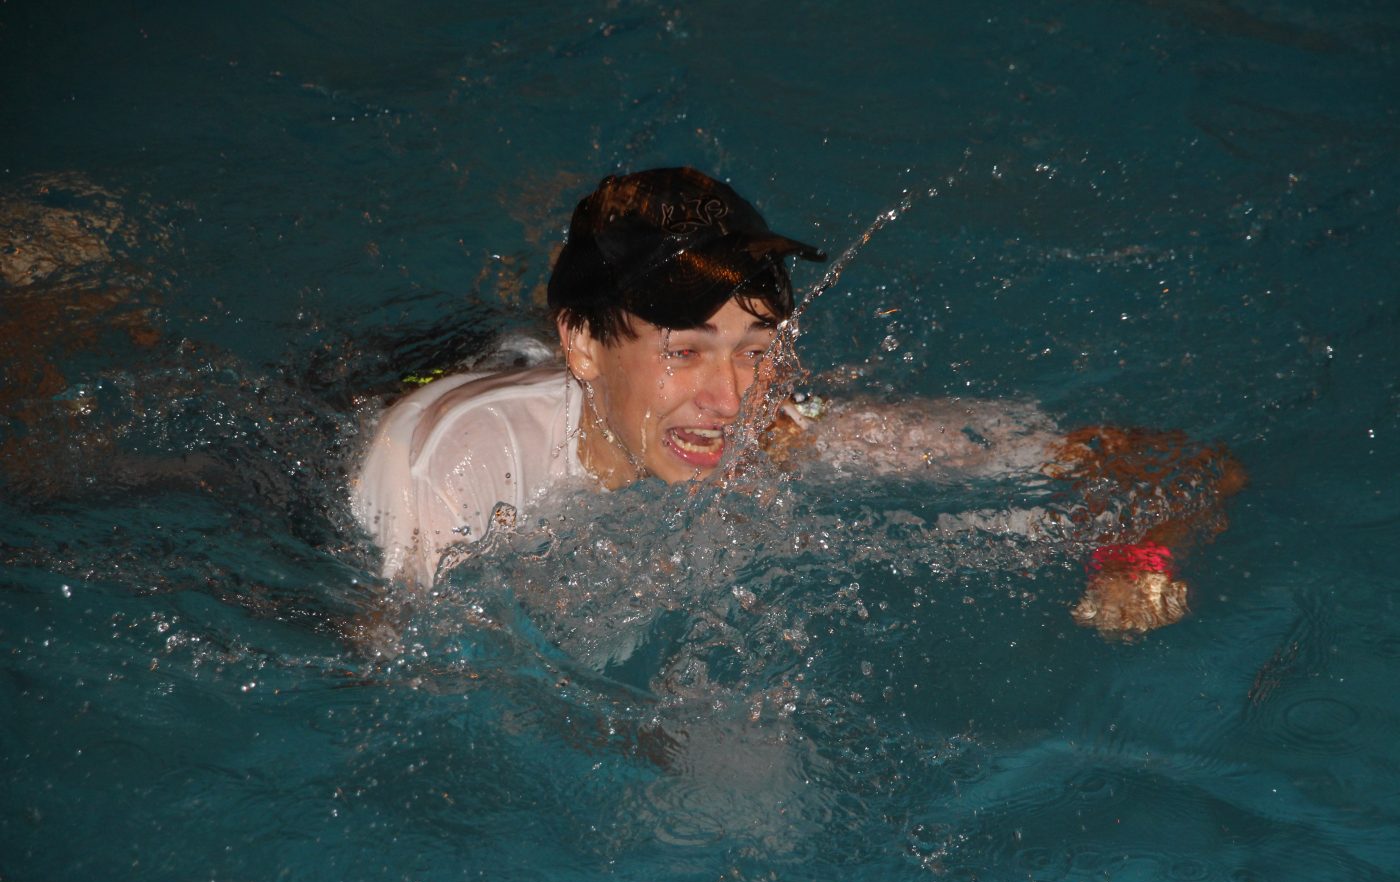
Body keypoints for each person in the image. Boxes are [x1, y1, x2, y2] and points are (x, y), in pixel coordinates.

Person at [351, 166, 1244, 638]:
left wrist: (1136, 556)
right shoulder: (456, 470)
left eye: (757, 349)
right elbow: (389, 658)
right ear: (584, 342)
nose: (729, 400)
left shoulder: (775, 430)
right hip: (401, 379)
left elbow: (1162, 460)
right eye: (687, 351)